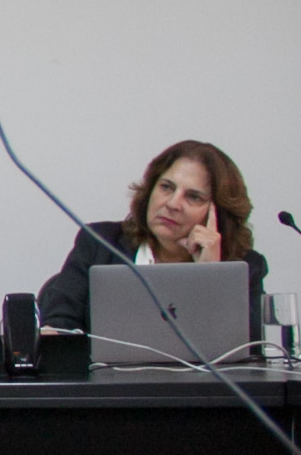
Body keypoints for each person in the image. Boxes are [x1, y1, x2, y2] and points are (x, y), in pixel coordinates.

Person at [38, 140, 268, 343]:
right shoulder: (99, 243)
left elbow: (250, 351)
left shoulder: (245, 267)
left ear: (219, 214)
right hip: (106, 378)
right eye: (166, 187)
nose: (173, 204)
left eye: (193, 197)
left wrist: (212, 276)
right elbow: (59, 324)